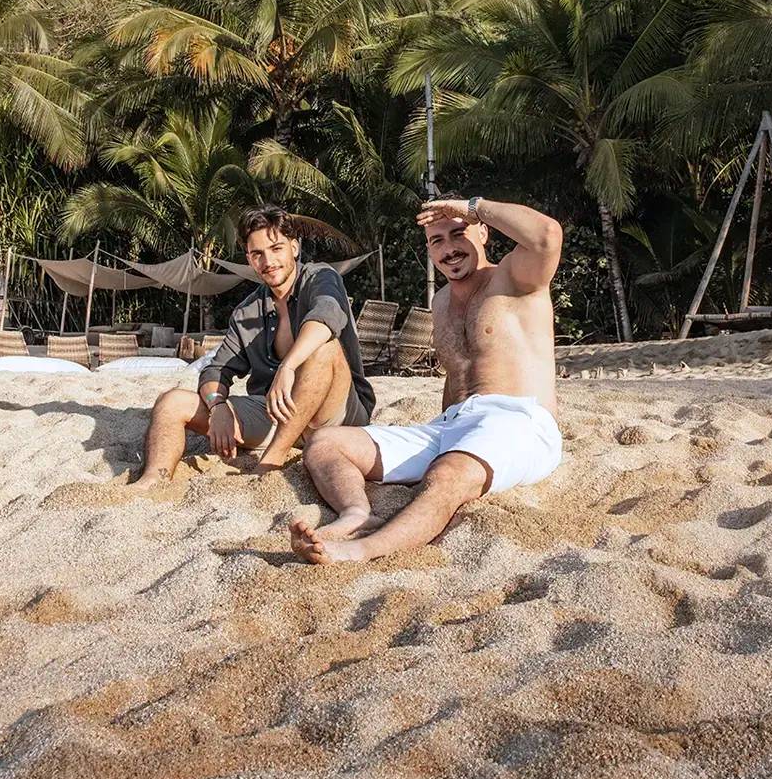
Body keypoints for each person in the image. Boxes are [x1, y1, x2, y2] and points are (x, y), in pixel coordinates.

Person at [290, 194, 563, 563]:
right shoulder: (441, 302)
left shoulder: (514, 278)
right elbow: (457, 376)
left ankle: (359, 550)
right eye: (437, 241)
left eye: (458, 233)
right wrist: (443, 428)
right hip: (453, 424)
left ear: (483, 232)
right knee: (325, 443)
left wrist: (471, 207)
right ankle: (356, 513)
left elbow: (547, 235)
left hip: (517, 421)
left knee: (447, 474)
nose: (449, 249)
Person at [130, 207, 375, 491]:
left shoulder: (321, 277)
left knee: (323, 348)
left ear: (294, 248)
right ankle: (152, 483)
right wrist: (217, 405)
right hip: (276, 414)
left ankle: (272, 460)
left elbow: (327, 316)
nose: (268, 261)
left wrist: (288, 366)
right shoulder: (246, 311)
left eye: (276, 248)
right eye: (257, 254)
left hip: (335, 417)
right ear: (249, 259)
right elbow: (216, 370)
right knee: (171, 402)